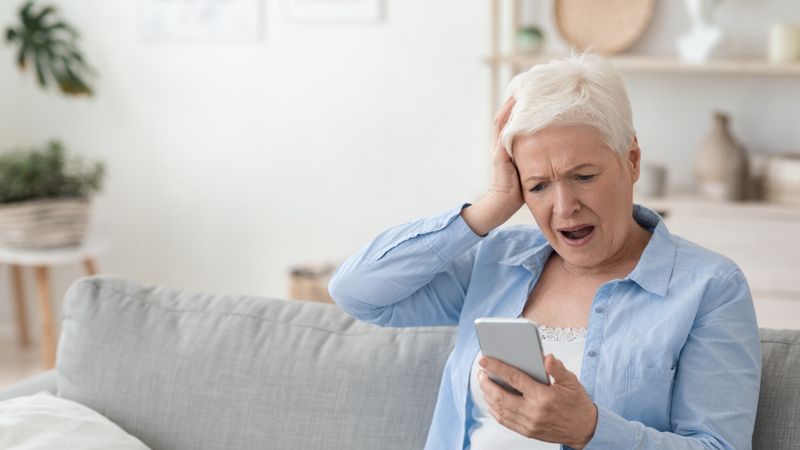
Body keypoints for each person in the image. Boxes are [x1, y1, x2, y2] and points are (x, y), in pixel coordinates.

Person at [328, 53, 761, 450]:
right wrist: (491, 206)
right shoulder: (497, 261)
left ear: (631, 159)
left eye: (584, 176)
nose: (564, 207)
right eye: (537, 186)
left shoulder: (709, 287)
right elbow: (357, 292)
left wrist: (589, 430)